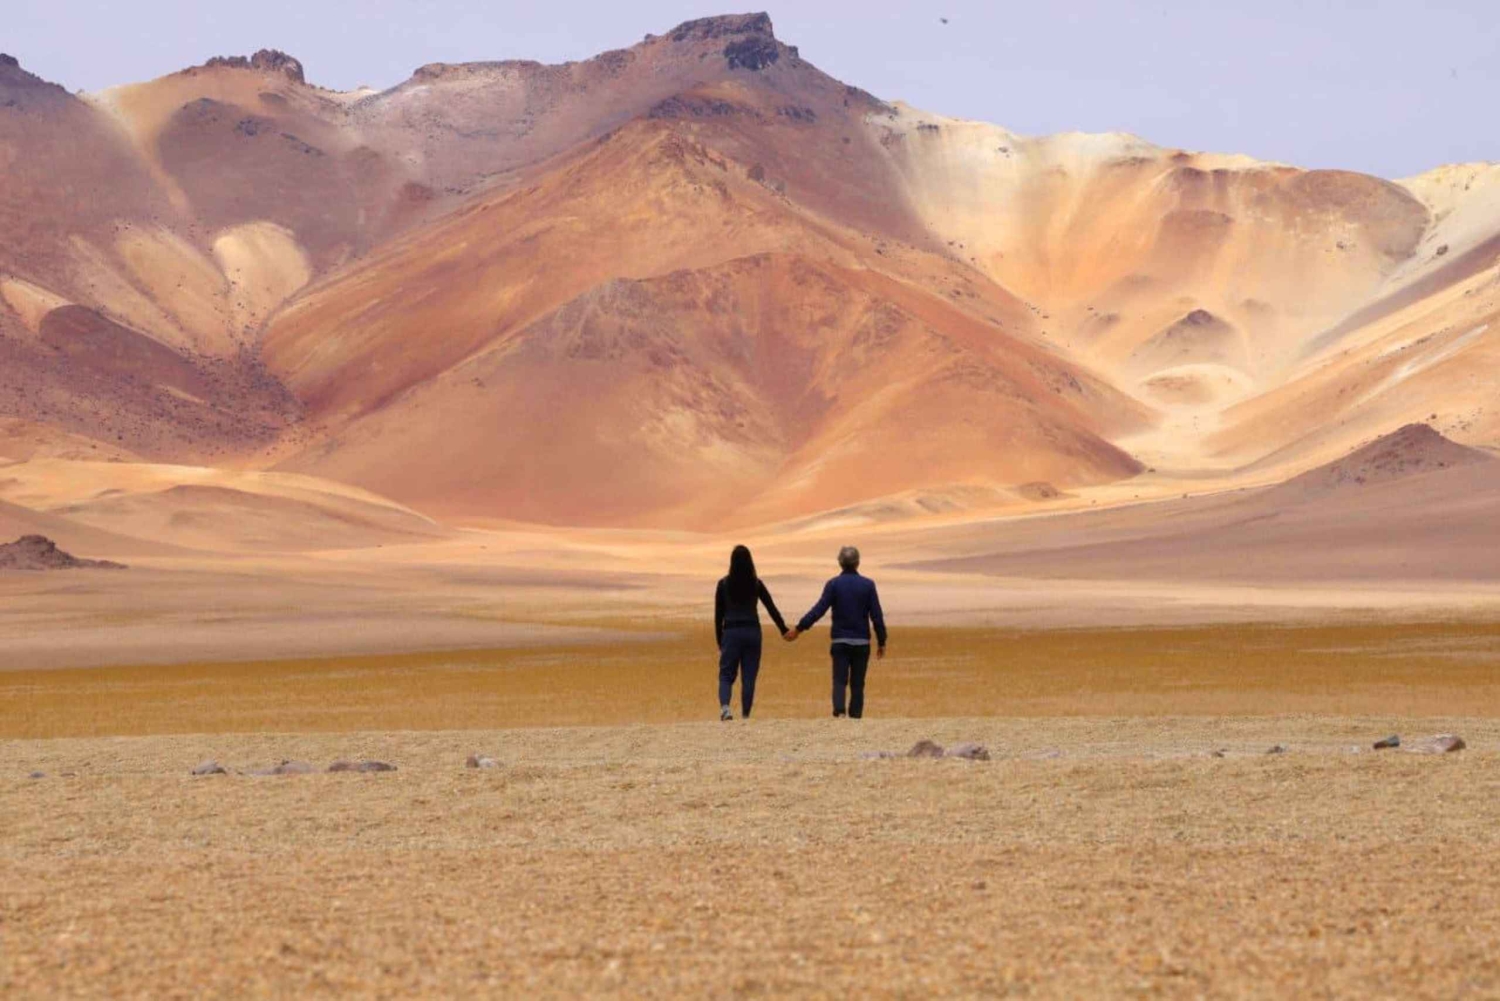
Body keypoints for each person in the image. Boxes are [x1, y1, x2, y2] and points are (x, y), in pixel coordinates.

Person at [786, 546, 887, 718]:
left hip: (840, 641)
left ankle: (839, 712)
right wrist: (882, 641)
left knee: (839, 679)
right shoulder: (868, 585)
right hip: (862, 643)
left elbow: (818, 610)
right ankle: (855, 717)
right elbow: (876, 616)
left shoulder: (833, 584)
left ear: (840, 563)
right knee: (857, 683)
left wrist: (799, 628)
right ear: (858, 563)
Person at [714, 545, 790, 721]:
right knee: (749, 676)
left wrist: (720, 639)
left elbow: (718, 615)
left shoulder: (723, 584)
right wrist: (783, 630)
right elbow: (771, 608)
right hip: (752, 631)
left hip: (731, 632)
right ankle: (746, 716)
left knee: (726, 674)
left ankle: (725, 708)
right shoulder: (756, 584)